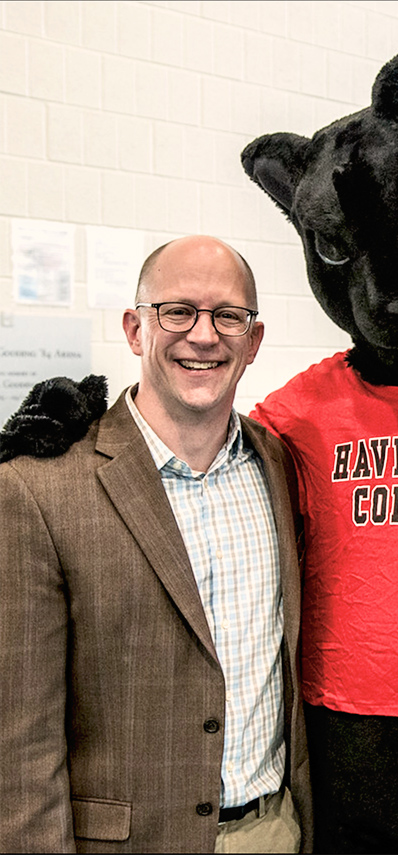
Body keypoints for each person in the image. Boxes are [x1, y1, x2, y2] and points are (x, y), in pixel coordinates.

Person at [0, 235, 312, 854]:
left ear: (253, 341)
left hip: (275, 832)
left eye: (229, 315)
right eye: (177, 311)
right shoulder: (37, 489)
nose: (204, 335)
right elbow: (19, 745)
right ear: (135, 329)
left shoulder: (279, 465)